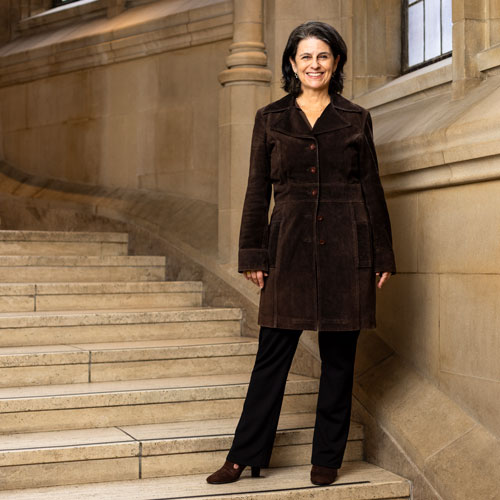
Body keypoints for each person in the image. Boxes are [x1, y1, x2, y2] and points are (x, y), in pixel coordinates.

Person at [207, 21, 396, 487]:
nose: (315, 65)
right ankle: (244, 454)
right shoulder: (269, 119)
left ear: (336, 63)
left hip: (347, 249)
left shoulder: (355, 119)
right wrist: (253, 252)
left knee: (339, 358)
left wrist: (382, 255)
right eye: (306, 57)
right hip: (286, 247)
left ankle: (326, 459)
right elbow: (256, 192)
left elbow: (372, 190)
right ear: (292, 64)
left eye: (324, 56)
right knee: (272, 356)